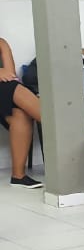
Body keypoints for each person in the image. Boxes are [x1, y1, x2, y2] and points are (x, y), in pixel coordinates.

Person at [0, 37, 42, 188]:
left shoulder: (1, 43)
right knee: (14, 88)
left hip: (4, 90)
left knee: (20, 114)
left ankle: (18, 176)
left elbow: (9, 74)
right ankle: (63, 131)